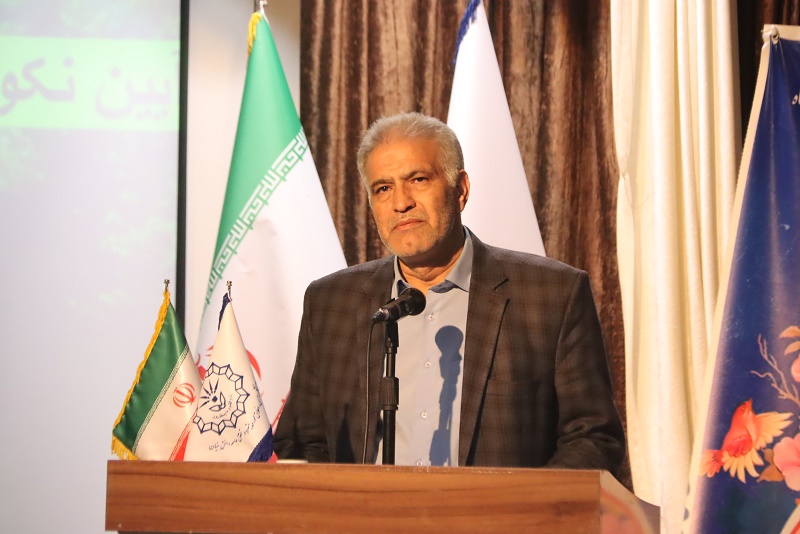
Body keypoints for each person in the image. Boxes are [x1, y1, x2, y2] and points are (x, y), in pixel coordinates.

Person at [273, 112, 625, 474]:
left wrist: (519, 504)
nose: (401, 203)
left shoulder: (551, 294)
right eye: (383, 188)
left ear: (461, 189)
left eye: (418, 179)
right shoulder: (331, 303)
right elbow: (302, 441)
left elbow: (594, 439)